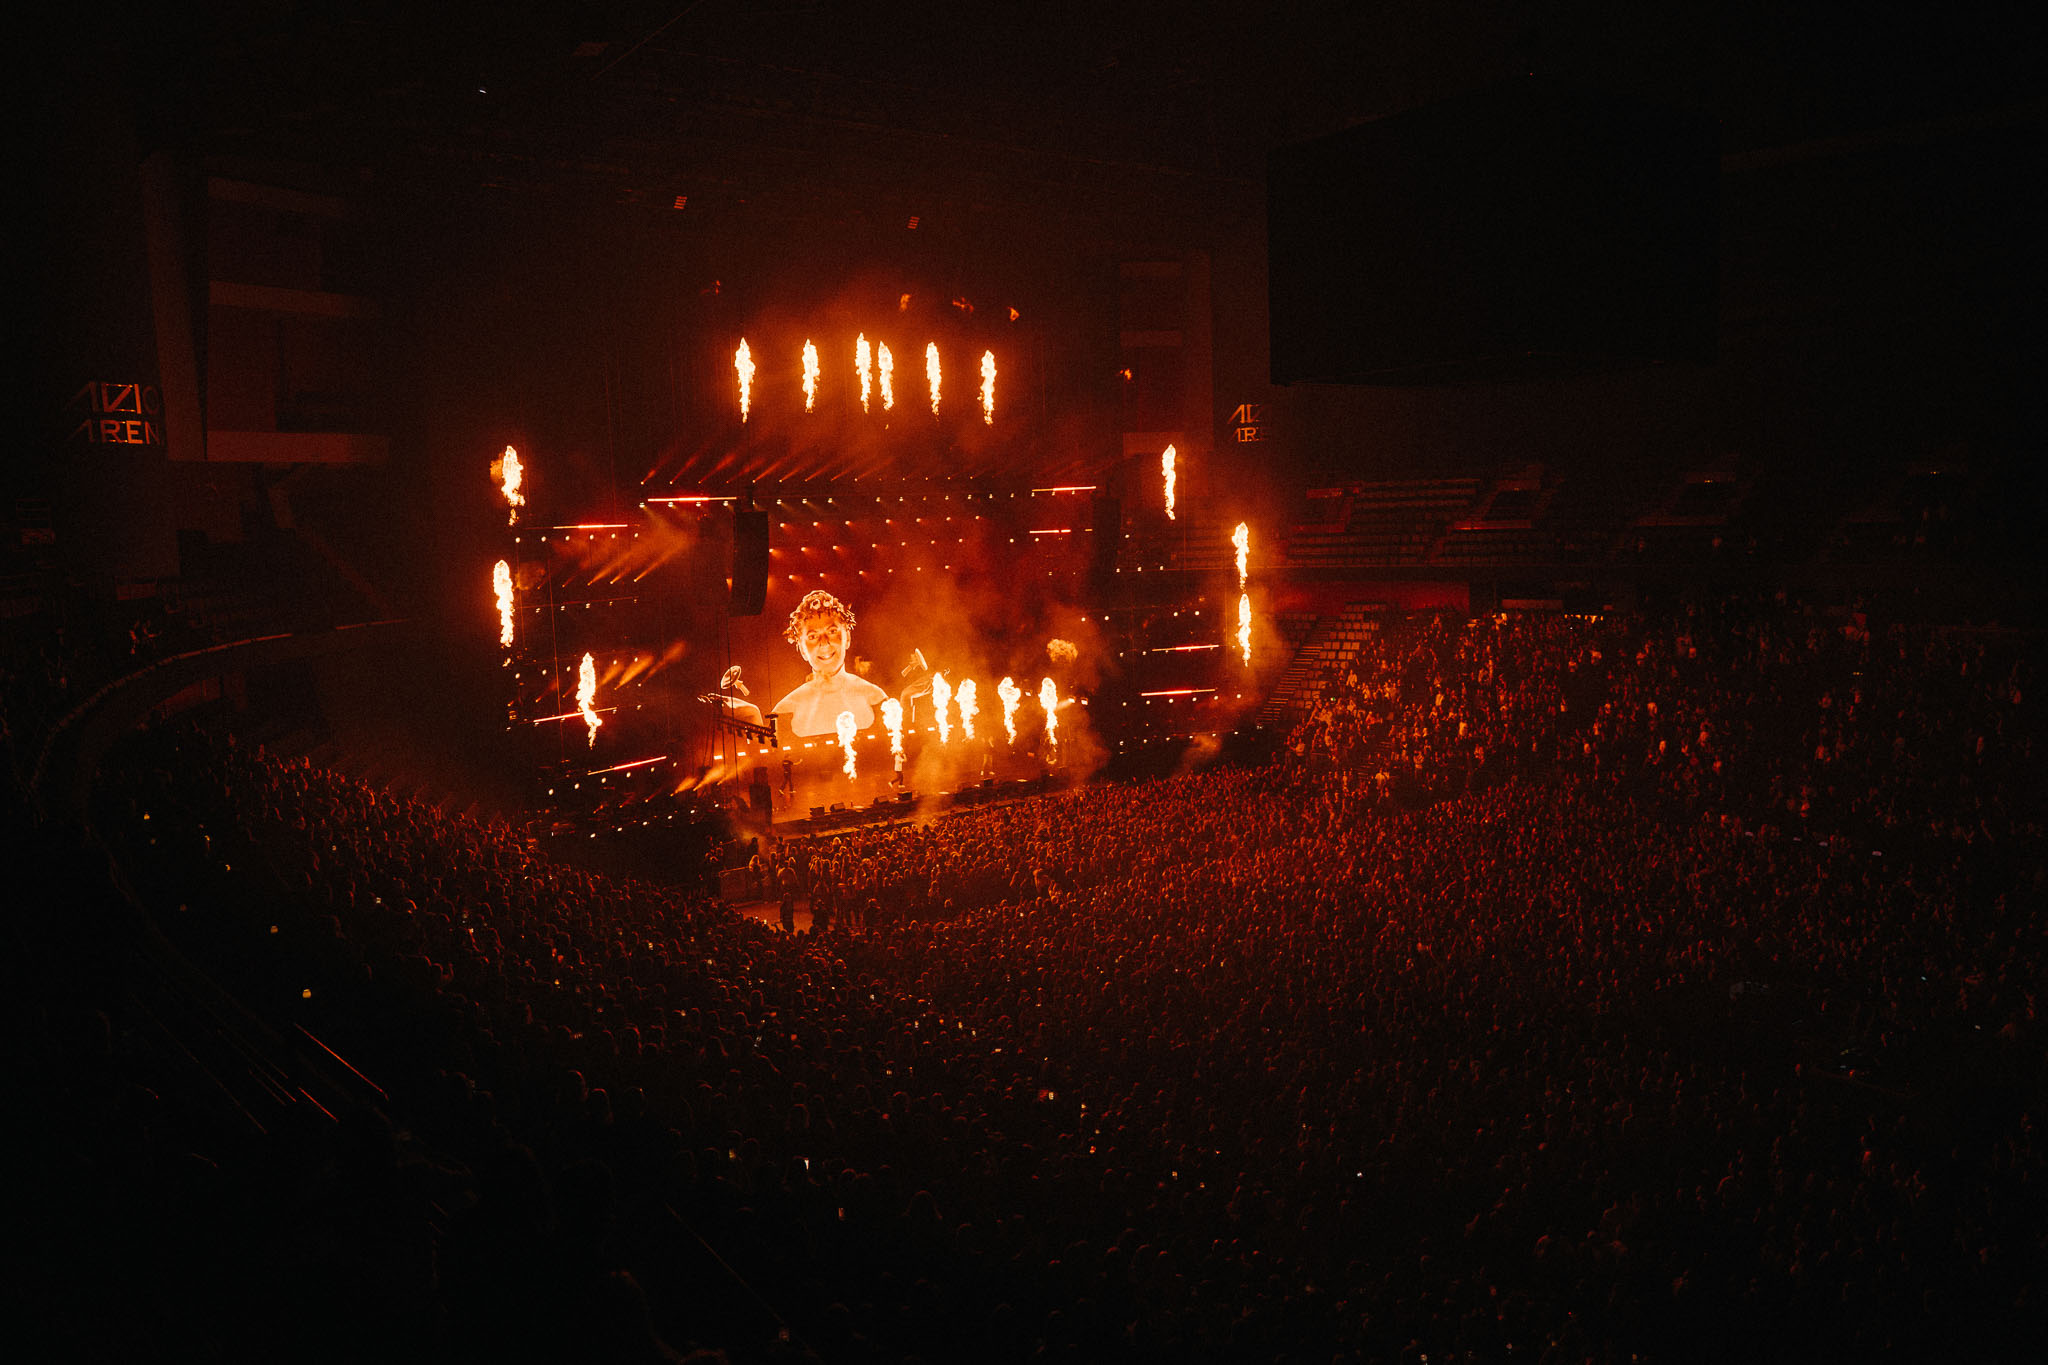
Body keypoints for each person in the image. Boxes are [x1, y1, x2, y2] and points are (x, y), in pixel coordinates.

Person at [771, 589, 887, 738]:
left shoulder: (875, 698)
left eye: (832, 631)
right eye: (813, 636)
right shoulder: (785, 710)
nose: (824, 643)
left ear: (848, 638)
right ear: (802, 648)